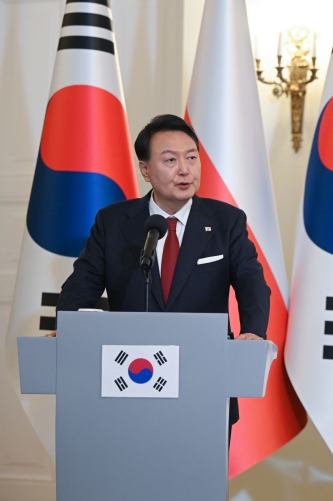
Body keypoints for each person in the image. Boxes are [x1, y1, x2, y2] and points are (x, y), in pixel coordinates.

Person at [55, 113, 271, 430]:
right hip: (129, 376)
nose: (184, 170)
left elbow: (252, 283)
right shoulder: (113, 222)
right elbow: (81, 285)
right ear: (145, 170)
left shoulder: (227, 221)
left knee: (198, 479)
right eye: (170, 160)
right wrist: (68, 326)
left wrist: (253, 331)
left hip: (205, 376)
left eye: (192, 158)